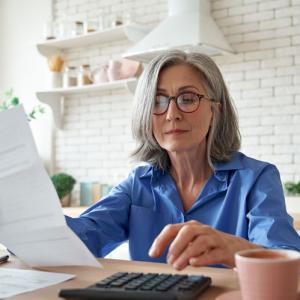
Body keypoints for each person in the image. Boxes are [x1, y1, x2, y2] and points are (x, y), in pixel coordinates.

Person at [66, 50, 300, 270]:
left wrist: (236, 249)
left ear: (215, 111)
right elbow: (81, 238)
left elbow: (289, 262)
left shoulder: (256, 179)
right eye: (158, 101)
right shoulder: (138, 184)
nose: (171, 114)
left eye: (187, 99)